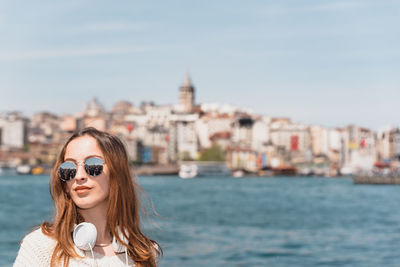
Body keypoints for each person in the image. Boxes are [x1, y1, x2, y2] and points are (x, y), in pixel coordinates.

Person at [14, 127, 161, 267]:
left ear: (117, 173)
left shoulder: (144, 253)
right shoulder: (40, 246)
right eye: (68, 168)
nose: (79, 176)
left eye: (93, 165)